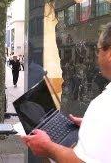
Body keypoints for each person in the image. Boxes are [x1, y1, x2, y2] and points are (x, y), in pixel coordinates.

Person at [21, 22, 111, 163]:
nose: (97, 55)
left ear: (109, 54)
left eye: (98, 50)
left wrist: (48, 148)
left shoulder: (104, 106)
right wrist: (91, 125)